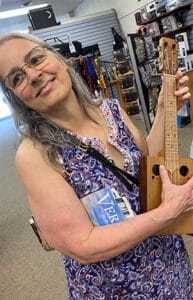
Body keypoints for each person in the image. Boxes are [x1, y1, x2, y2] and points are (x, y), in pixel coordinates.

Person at [0, 32, 193, 300]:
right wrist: (168, 212)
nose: (33, 75)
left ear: (59, 59)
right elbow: (83, 244)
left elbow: (142, 162)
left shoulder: (110, 110)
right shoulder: (36, 154)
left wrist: (163, 110)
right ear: (15, 97)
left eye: (36, 59)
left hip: (169, 265)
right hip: (114, 288)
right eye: (17, 78)